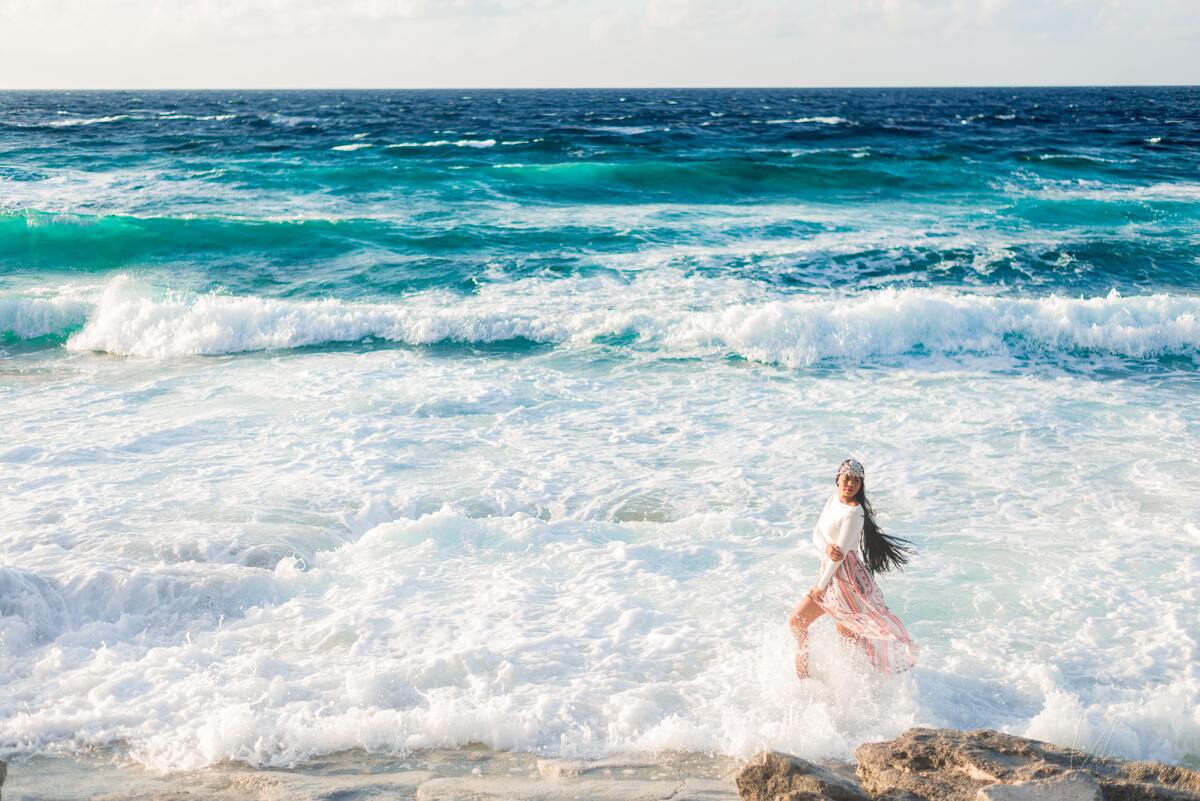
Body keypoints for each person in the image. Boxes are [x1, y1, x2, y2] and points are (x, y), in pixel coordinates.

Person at [788, 458, 918, 678]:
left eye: (857, 480)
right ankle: (856, 681)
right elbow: (817, 534)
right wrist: (826, 546)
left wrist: (820, 586)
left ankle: (810, 679)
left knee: (798, 622)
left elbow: (839, 555)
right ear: (838, 478)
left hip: (844, 578)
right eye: (847, 478)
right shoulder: (832, 501)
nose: (851, 484)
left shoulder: (854, 512)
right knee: (845, 634)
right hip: (830, 571)